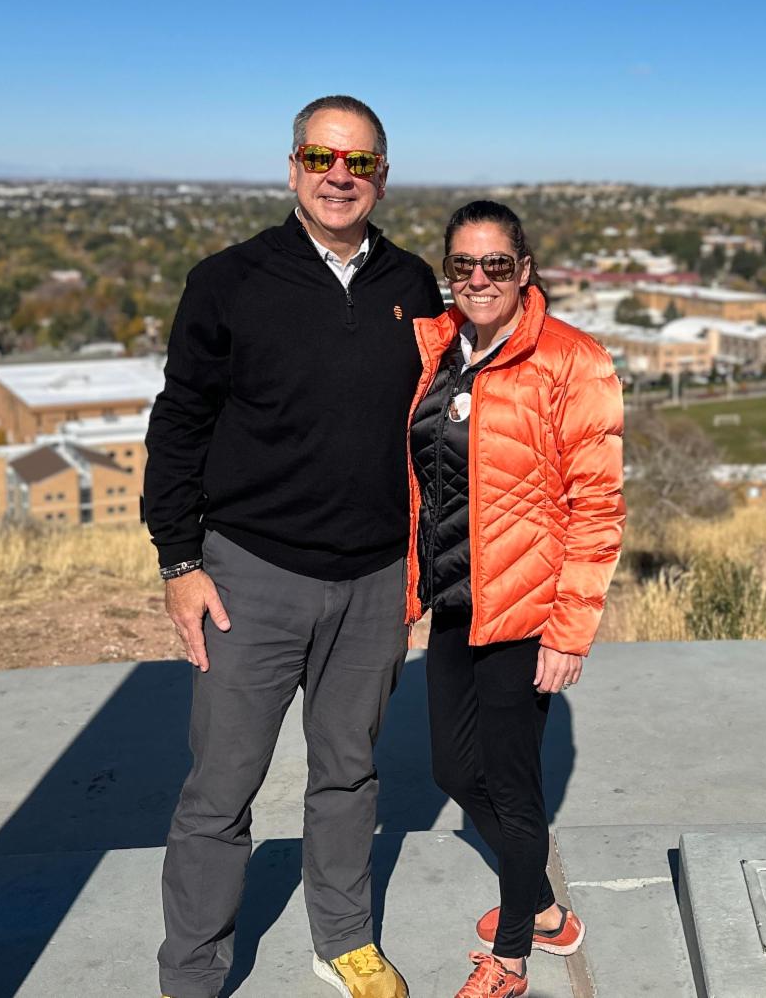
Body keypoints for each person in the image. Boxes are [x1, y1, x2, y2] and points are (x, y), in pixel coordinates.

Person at [144, 95, 444, 998]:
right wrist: (178, 562)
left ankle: (342, 938)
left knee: (349, 774)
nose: (339, 176)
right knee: (220, 790)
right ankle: (192, 973)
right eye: (321, 158)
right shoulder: (228, 281)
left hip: (376, 578)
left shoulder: (415, 285)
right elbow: (181, 422)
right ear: (293, 169)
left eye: (358, 162)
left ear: (383, 178)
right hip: (251, 577)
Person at [407, 200, 625, 998]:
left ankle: (510, 958)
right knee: (451, 770)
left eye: (495, 264)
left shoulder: (573, 361)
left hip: (528, 612)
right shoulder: (439, 350)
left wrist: (570, 632)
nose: (478, 279)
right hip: (456, 602)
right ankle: (539, 906)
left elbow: (598, 508)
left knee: (511, 783)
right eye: (462, 265)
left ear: (524, 270)